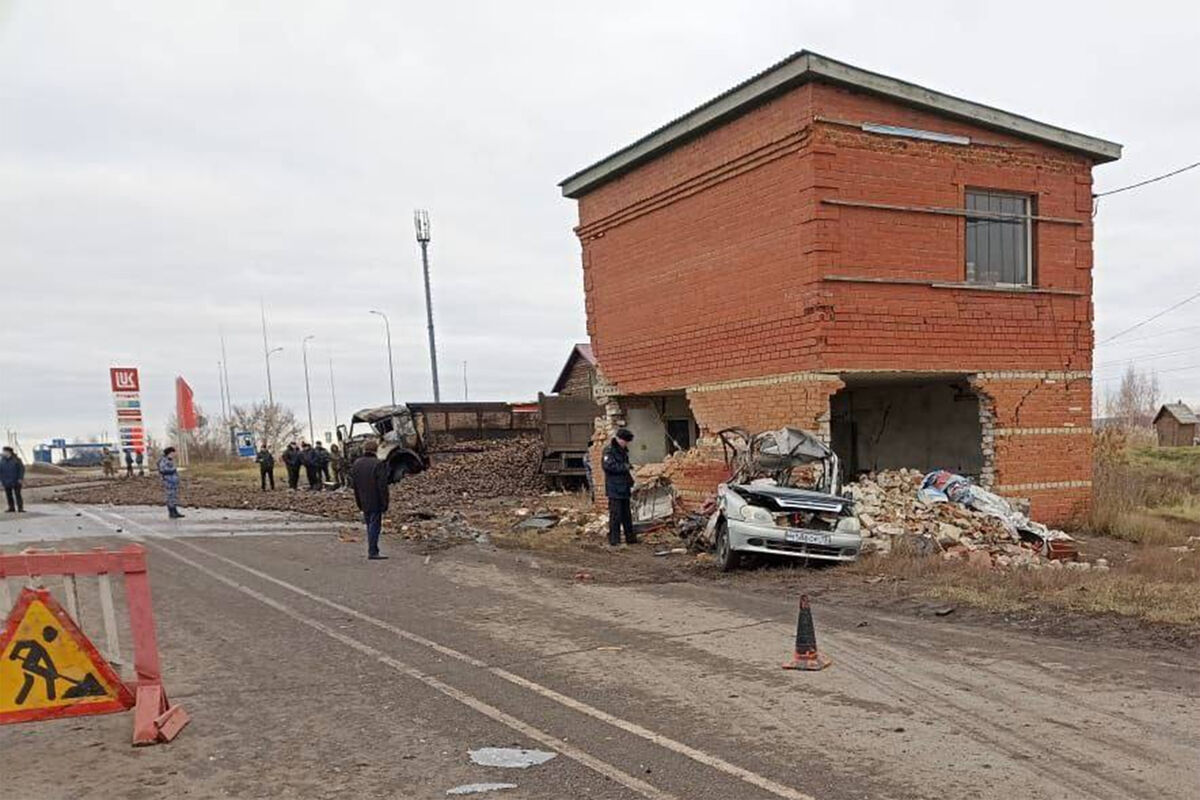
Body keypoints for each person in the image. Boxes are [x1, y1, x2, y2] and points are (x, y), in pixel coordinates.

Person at [350, 439, 391, 560]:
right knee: (375, 526)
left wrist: (358, 501)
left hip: (363, 500)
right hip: (376, 500)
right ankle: (373, 551)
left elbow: (355, 485)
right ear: (376, 450)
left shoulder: (357, 463)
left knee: (369, 525)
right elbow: (382, 486)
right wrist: (385, 503)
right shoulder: (378, 464)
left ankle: (373, 549)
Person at [602, 428, 637, 546]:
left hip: (624, 487)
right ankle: (614, 540)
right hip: (614, 488)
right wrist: (625, 467)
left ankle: (630, 538)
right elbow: (608, 466)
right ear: (618, 439)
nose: (625, 444)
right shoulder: (609, 451)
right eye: (624, 441)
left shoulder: (623, 451)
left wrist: (631, 481)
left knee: (627, 515)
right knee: (615, 515)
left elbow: (625, 469)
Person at [158, 446, 184, 519]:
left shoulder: (170, 460)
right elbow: (163, 470)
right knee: (170, 496)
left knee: (174, 497)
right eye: (173, 453)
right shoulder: (164, 460)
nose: (174, 454)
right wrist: (174, 470)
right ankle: (171, 512)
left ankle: (175, 511)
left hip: (173, 481)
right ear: (169, 453)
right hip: (168, 481)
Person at [1, 446, 25, 513]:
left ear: (8, 452)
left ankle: (20, 508)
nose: (3, 452)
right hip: (6, 480)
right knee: (8, 495)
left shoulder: (16, 460)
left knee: (17, 494)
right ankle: (11, 508)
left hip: (16, 480)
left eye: (4, 451)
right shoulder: (2, 460)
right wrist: (1, 480)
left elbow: (21, 469)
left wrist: (20, 478)